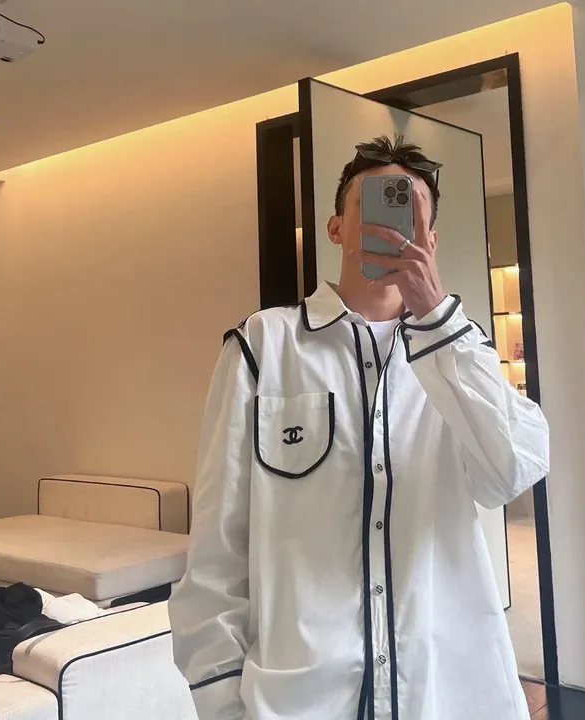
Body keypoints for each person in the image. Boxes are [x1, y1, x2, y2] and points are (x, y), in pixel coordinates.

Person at [168, 134, 550, 720]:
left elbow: (514, 471)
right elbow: (218, 549)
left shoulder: (461, 354)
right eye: (373, 205)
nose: (393, 225)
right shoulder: (263, 347)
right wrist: (222, 704)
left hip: (445, 694)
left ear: (431, 238)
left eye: (412, 211)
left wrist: (436, 319)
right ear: (336, 228)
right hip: (304, 698)